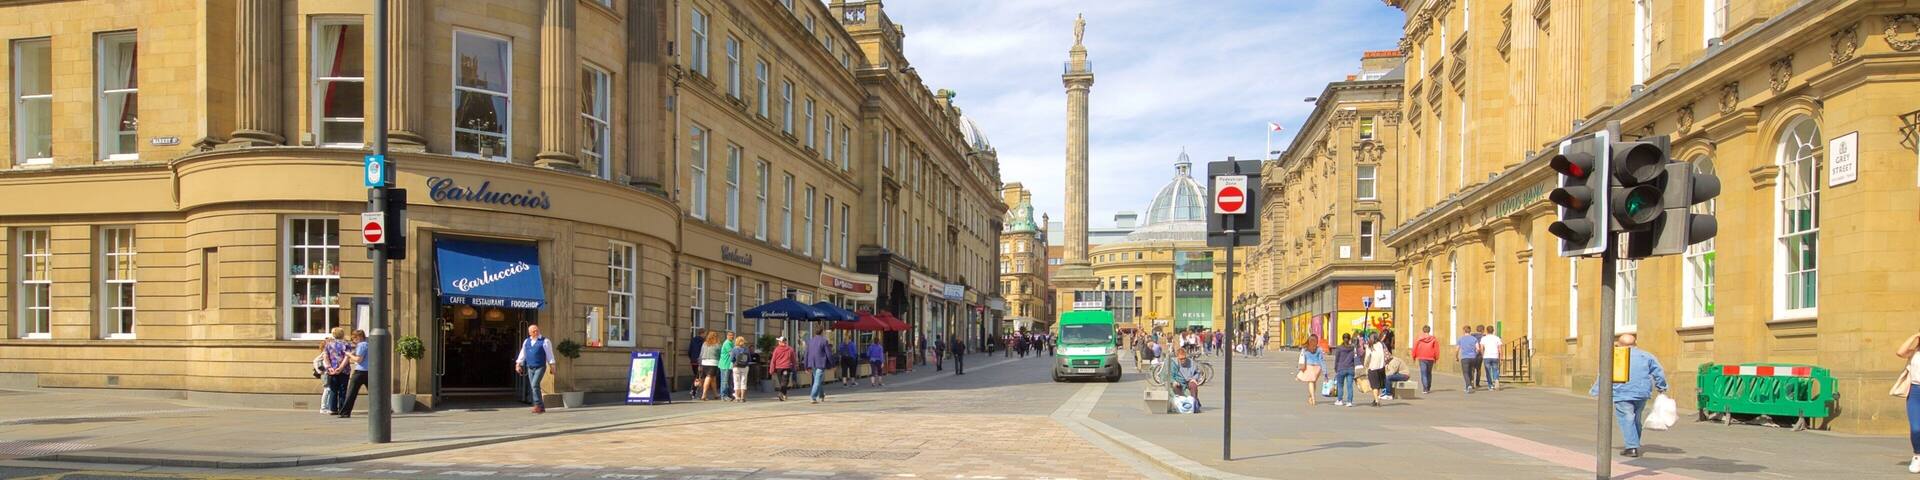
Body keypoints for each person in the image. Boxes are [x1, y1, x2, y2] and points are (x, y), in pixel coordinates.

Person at [1590, 333, 1668, 459]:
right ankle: (1634, 443)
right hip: (1641, 392)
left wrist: (1596, 390)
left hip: (1622, 392)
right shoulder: (1646, 356)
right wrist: (1662, 387)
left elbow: (1603, 373)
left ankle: (1631, 447)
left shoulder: (1614, 356)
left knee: (1626, 418)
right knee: (1636, 418)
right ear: (1635, 343)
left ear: (1619, 344)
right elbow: (1658, 372)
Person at [515, 324, 558, 413]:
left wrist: (552, 365)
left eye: (537, 330)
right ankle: (541, 407)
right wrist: (518, 364)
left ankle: (537, 405)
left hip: (540, 366)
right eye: (533, 331)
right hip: (530, 367)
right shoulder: (526, 341)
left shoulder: (545, 341)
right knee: (534, 386)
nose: (536, 332)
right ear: (530, 333)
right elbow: (523, 353)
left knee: (534, 385)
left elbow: (550, 354)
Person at [1895, 332, 1920, 473]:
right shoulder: (1914, 352)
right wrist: (1915, 336)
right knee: (1916, 428)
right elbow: (1900, 352)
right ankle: (1917, 455)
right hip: (1916, 392)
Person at [337, 330, 370, 418]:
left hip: (360, 372)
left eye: (354, 338)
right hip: (369, 372)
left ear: (358, 337)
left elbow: (358, 359)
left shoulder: (361, 345)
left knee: (351, 393)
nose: (353, 341)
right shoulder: (368, 344)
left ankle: (345, 412)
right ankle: (383, 410)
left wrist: (349, 355)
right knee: (373, 393)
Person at [321, 327, 351, 416]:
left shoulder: (328, 344)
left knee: (333, 389)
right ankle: (342, 408)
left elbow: (325, 356)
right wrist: (341, 368)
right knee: (343, 390)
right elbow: (347, 357)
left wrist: (329, 367)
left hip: (332, 370)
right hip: (344, 370)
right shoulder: (346, 344)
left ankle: (333, 409)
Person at [805, 328, 832, 403]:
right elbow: (828, 354)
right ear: (822, 332)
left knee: (817, 380)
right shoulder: (824, 341)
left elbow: (806, 354)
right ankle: (813, 397)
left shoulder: (810, 341)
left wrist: (806, 365)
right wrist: (832, 364)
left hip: (812, 363)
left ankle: (821, 395)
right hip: (820, 363)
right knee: (817, 381)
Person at [1172, 348, 1202, 412]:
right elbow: (1171, 375)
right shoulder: (1174, 363)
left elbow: (1197, 372)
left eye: (1184, 358)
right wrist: (1174, 381)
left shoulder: (1191, 362)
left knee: (1193, 385)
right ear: (1177, 357)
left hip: (1189, 380)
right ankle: (1182, 403)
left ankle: (1194, 402)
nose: (1183, 360)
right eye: (1181, 359)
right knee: (1175, 386)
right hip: (1179, 381)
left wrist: (1194, 378)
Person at [1297, 335, 1325, 406]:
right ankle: (1311, 397)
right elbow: (1321, 360)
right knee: (1313, 382)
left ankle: (1313, 397)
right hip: (1317, 368)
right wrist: (1325, 371)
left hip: (1309, 367)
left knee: (1310, 382)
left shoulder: (1305, 349)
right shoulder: (1319, 349)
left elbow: (1302, 359)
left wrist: (1300, 368)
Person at [1331, 334, 1358, 407]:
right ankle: (1349, 402)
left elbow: (1337, 359)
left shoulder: (1339, 348)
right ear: (1349, 339)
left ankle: (1340, 400)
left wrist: (1336, 368)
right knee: (1350, 386)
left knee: (1340, 385)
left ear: (1343, 339)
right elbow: (1355, 358)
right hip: (1351, 368)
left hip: (1341, 368)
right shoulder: (1353, 348)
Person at [1412, 325, 1440, 394]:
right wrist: (1436, 357)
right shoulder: (1433, 339)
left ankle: (1425, 388)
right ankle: (1428, 387)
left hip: (1422, 357)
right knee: (1429, 373)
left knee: (1423, 373)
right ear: (1429, 330)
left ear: (1423, 330)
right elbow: (1436, 349)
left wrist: (1414, 356)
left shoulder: (1419, 339)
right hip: (1431, 357)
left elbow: (1415, 347)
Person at [1365, 337, 1389, 406]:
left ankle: (1377, 400)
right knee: (1378, 384)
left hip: (1373, 367)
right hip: (1381, 367)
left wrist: (1365, 366)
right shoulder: (1381, 344)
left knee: (1374, 385)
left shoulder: (1369, 346)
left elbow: (1367, 357)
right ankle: (1375, 399)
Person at [1456, 326, 1481, 394]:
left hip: (1464, 358)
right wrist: (1475, 354)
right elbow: (1478, 349)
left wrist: (1456, 357)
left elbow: (1457, 349)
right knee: (1471, 371)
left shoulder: (1460, 339)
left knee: (1465, 373)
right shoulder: (1474, 339)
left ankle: (1469, 386)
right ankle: (1468, 386)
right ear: (1470, 331)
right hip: (1473, 358)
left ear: (1464, 331)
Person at [698, 331, 722, 401]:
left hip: (704, 362)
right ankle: (704, 395)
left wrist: (699, 363)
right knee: (708, 377)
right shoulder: (718, 345)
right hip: (713, 363)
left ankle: (715, 394)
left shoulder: (704, 344)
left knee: (713, 379)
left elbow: (701, 354)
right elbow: (720, 354)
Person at [771, 336, 795, 401]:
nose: (778, 342)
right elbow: (793, 359)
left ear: (782, 342)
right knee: (784, 382)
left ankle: (783, 395)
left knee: (782, 382)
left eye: (779, 341)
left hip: (779, 368)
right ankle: (781, 394)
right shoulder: (790, 349)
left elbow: (773, 360)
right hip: (786, 368)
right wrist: (794, 366)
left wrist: (772, 369)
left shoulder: (776, 349)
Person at [686, 329, 705, 397]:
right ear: (702, 333)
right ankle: (693, 390)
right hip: (700, 361)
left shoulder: (693, 340)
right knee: (698, 376)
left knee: (696, 375)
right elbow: (703, 352)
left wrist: (691, 358)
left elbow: (689, 351)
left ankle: (694, 390)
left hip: (693, 361)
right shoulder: (703, 341)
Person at [717, 334, 736, 400]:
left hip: (729, 365)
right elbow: (732, 353)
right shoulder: (727, 343)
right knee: (724, 381)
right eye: (730, 335)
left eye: (733, 335)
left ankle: (729, 394)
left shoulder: (731, 343)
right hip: (725, 365)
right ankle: (724, 395)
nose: (732, 336)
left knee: (729, 381)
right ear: (727, 336)